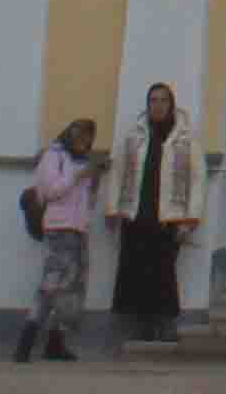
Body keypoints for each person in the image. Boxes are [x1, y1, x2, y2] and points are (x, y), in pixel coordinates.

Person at [108, 79, 200, 345]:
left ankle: (165, 324)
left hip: (169, 216)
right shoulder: (133, 136)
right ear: (147, 105)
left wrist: (190, 218)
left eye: (163, 101)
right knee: (135, 270)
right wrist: (114, 209)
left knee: (164, 270)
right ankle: (141, 325)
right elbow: (117, 172)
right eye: (153, 100)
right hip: (137, 213)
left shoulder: (186, 138)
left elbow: (197, 179)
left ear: (171, 105)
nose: (158, 106)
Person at [19, 114, 100, 365]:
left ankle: (56, 342)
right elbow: (49, 191)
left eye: (88, 138)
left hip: (78, 229)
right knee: (51, 285)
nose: (83, 141)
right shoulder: (53, 156)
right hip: (58, 229)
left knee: (74, 289)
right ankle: (26, 341)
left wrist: (93, 182)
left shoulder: (82, 161)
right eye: (79, 135)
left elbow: (89, 203)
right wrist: (76, 176)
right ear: (69, 134)